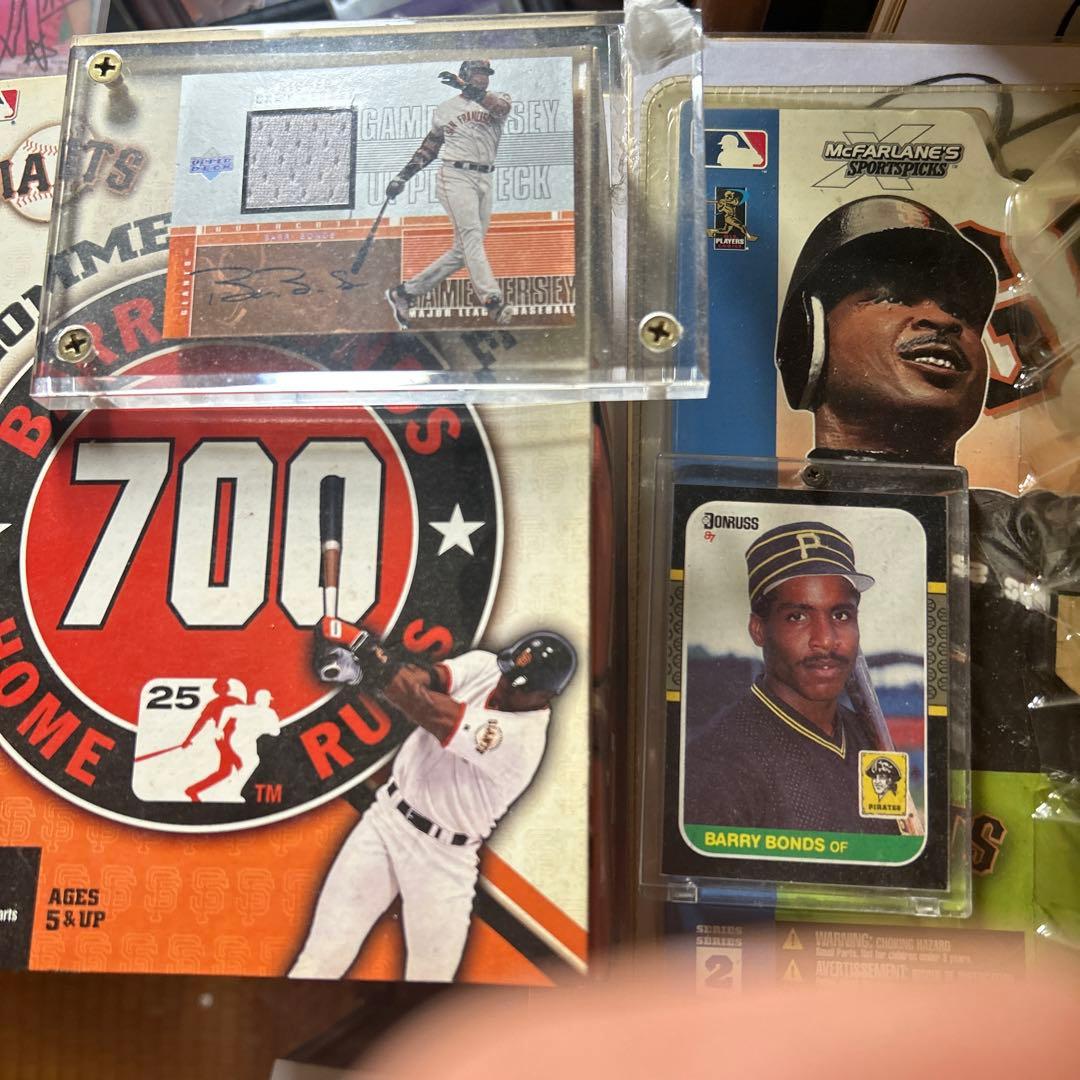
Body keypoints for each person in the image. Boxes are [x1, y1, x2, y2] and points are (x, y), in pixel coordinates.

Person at [775, 195, 1080, 776]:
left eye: (960, 310)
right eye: (891, 295)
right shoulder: (754, 528)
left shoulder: (1023, 533)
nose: (942, 320)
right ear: (807, 342)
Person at [289, 628, 577, 982]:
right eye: (507, 674)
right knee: (319, 960)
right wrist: (368, 671)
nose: (505, 685)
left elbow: (428, 709)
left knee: (428, 985)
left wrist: (369, 654)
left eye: (518, 686)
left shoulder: (522, 739)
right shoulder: (487, 667)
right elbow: (421, 680)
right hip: (385, 823)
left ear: (546, 696)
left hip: (442, 861)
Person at [683, 521, 895, 834]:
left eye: (841, 615)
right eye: (798, 617)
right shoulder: (719, 765)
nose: (825, 640)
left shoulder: (867, 739)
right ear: (758, 630)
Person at [384, 59, 513, 330]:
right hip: (454, 175)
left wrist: (465, 87)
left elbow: (500, 109)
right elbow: (429, 148)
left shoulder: (498, 99)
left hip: (484, 177)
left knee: (463, 251)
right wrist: (402, 177)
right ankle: (492, 300)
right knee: (471, 237)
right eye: (477, 73)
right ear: (465, 74)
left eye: (486, 73)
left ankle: (405, 292)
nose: (483, 78)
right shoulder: (446, 109)